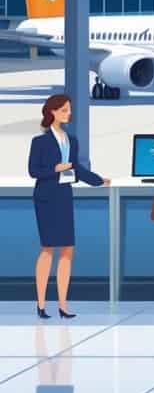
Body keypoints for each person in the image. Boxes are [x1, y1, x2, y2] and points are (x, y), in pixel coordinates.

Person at [28, 94, 108, 319]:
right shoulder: (40, 142)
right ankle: (41, 304)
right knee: (47, 249)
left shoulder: (71, 139)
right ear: (52, 112)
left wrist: (98, 180)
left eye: (69, 109)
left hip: (64, 196)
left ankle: (63, 305)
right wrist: (55, 168)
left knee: (67, 250)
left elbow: (77, 168)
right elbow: (34, 171)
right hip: (46, 197)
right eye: (64, 110)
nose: (68, 113)